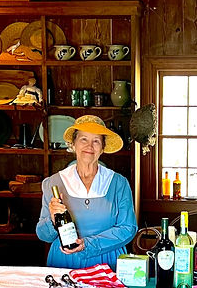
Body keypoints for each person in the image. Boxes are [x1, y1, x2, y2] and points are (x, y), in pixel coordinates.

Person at [36, 115, 137, 269]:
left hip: (107, 263)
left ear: (102, 148)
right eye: (83, 139)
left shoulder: (118, 183)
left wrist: (88, 244)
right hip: (64, 261)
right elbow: (44, 236)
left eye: (96, 141)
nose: (89, 146)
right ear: (73, 144)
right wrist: (52, 220)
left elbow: (128, 228)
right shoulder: (54, 183)